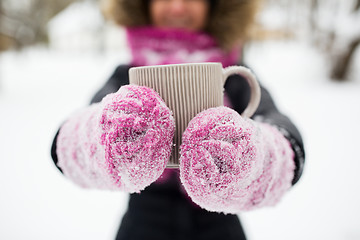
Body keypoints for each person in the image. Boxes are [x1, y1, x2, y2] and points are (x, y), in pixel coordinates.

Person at [51, 0, 305, 239]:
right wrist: (105, 138)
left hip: (220, 227)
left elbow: (284, 138)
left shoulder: (234, 76)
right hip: (142, 225)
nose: (177, 7)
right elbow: (66, 146)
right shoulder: (124, 77)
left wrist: (252, 160)